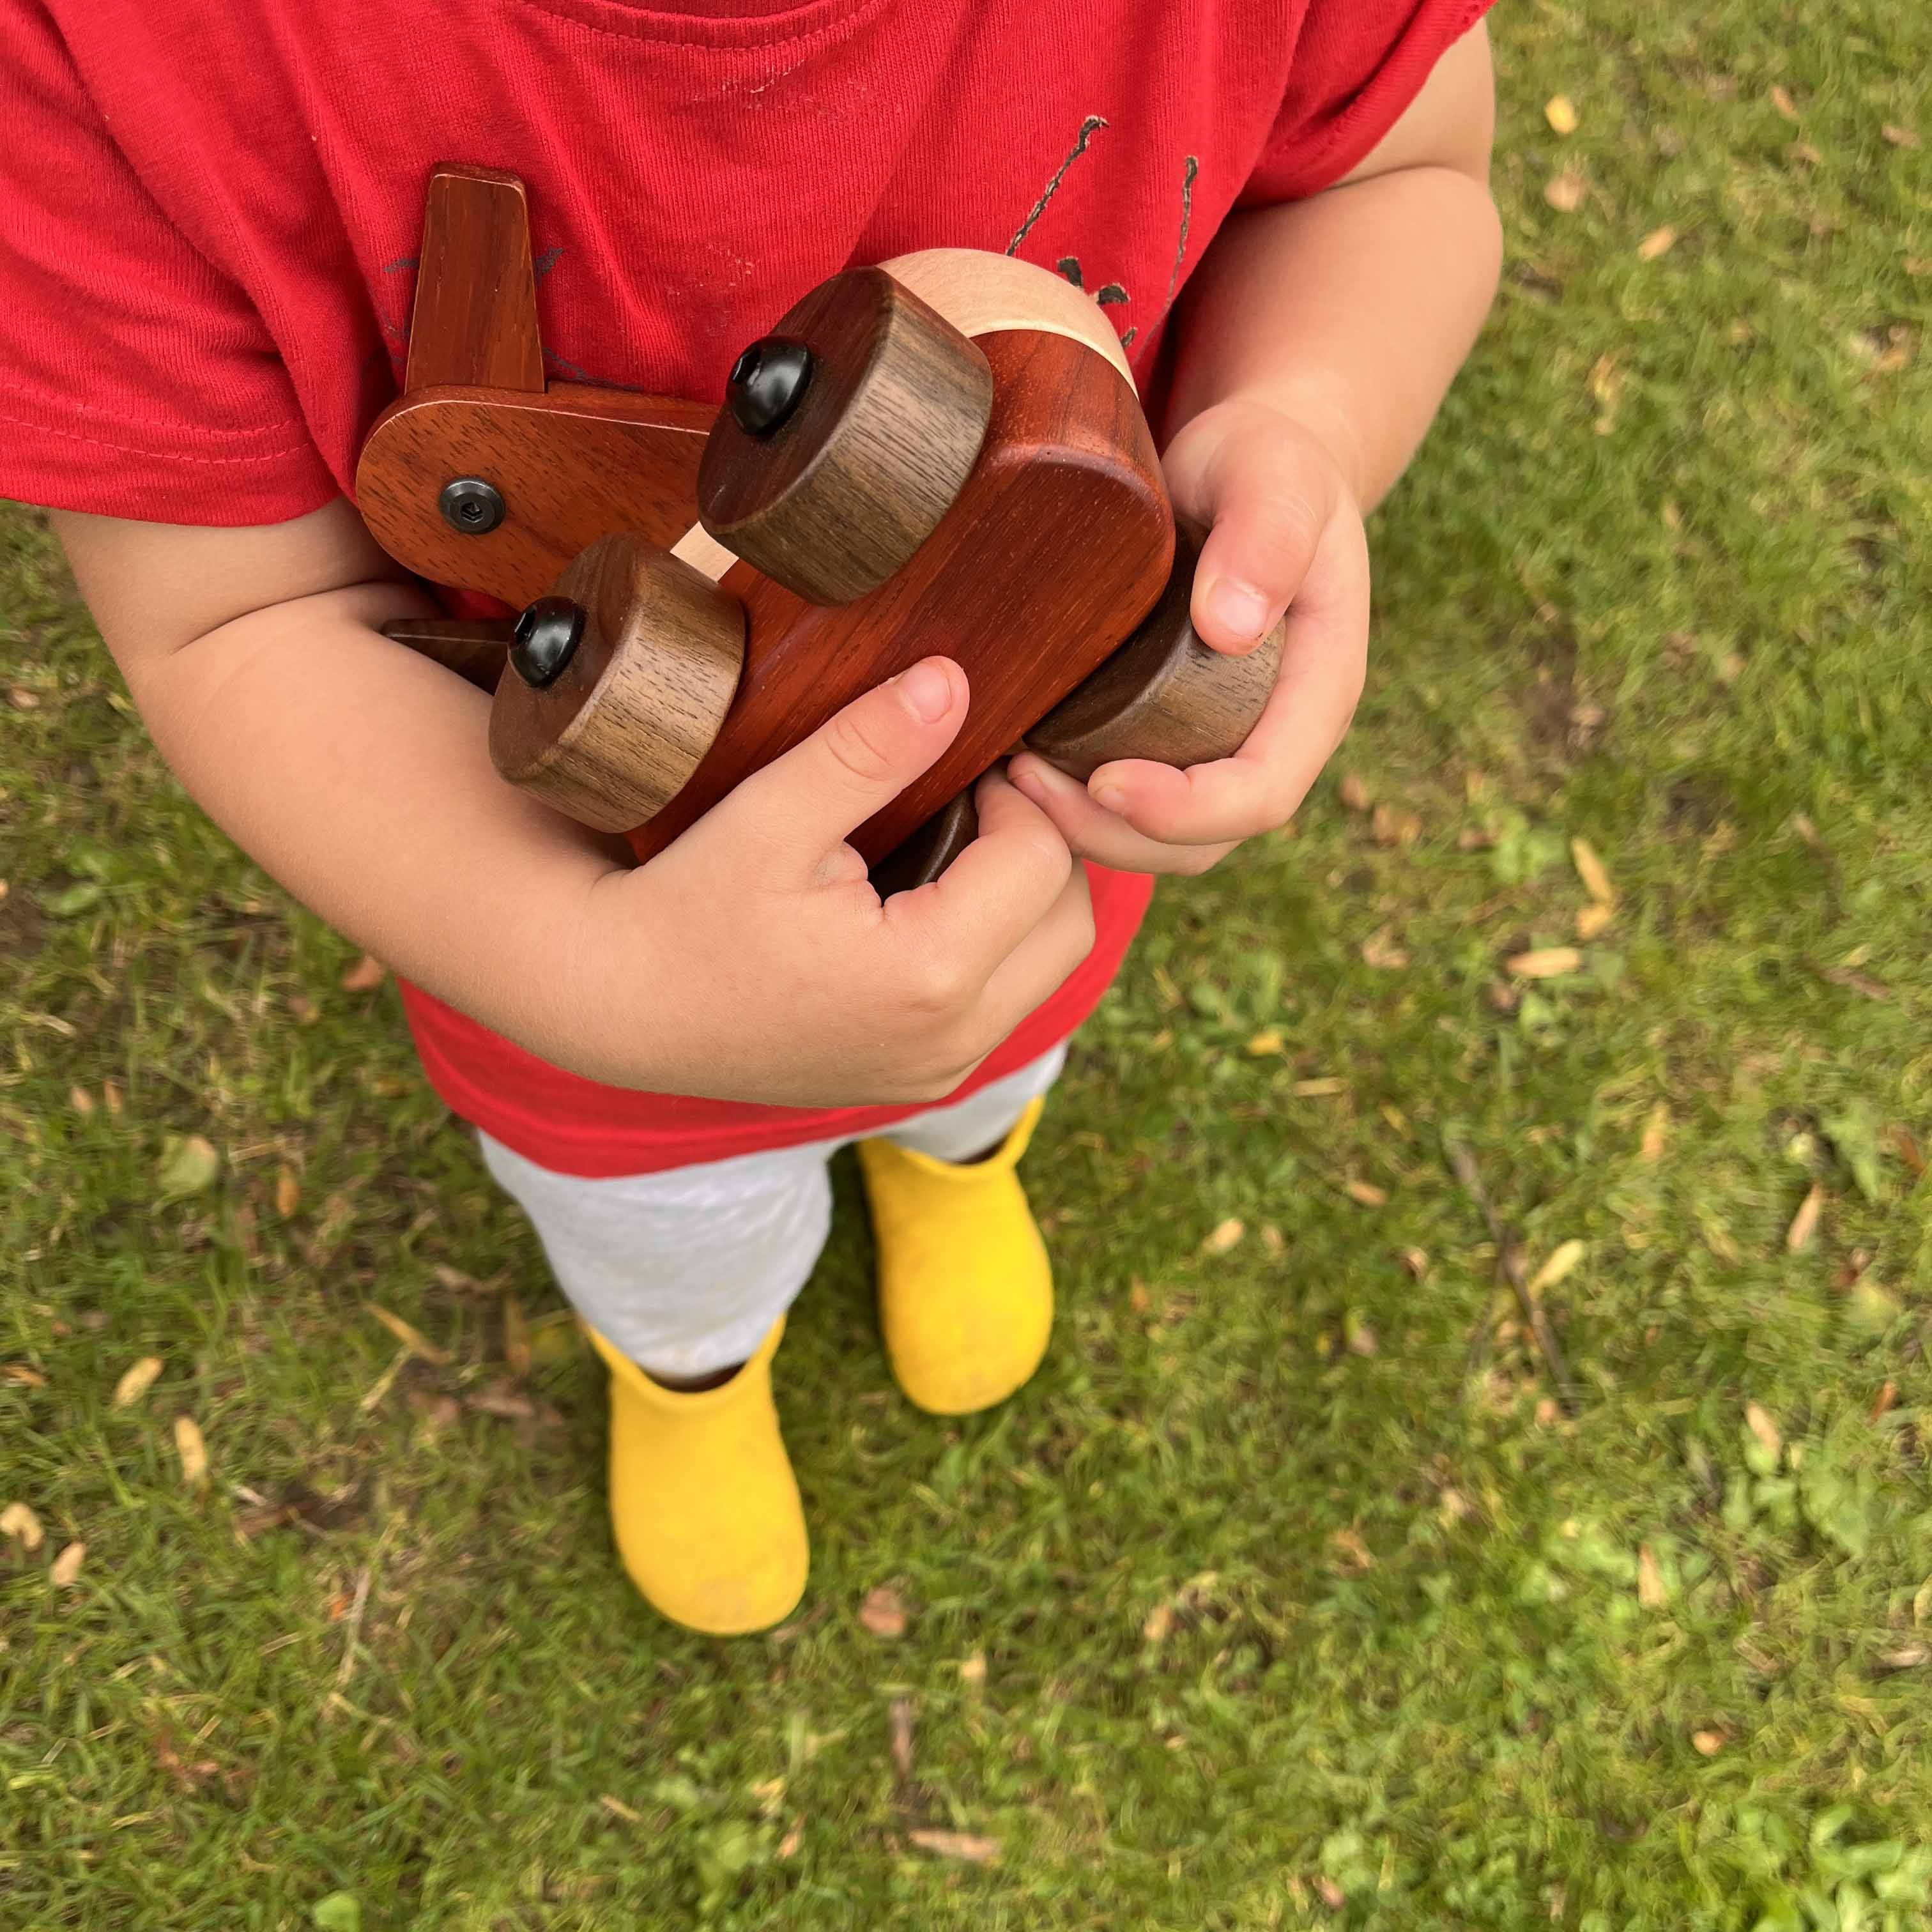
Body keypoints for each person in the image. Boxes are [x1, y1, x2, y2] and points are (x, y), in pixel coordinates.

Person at [1, 0, 1503, 1634]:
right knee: (671, 1241)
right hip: (572, 981)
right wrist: (587, 967)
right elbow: (236, 618)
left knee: (994, 1058)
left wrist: (1302, 425)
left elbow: (1395, 174)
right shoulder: (111, 51)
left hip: (1028, 875)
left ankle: (960, 1158)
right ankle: (695, 1369)